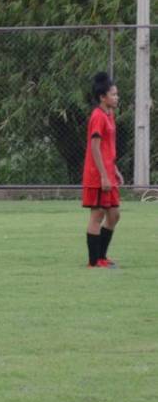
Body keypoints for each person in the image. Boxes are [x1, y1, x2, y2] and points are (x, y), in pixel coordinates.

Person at [82, 72, 122, 268]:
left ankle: (102, 257)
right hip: (97, 175)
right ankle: (93, 262)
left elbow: (107, 147)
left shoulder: (110, 114)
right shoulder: (97, 116)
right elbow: (95, 148)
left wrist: (114, 169)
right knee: (97, 215)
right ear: (102, 97)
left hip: (107, 172)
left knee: (114, 215)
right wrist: (104, 176)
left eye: (116, 94)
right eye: (113, 94)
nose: (116, 97)